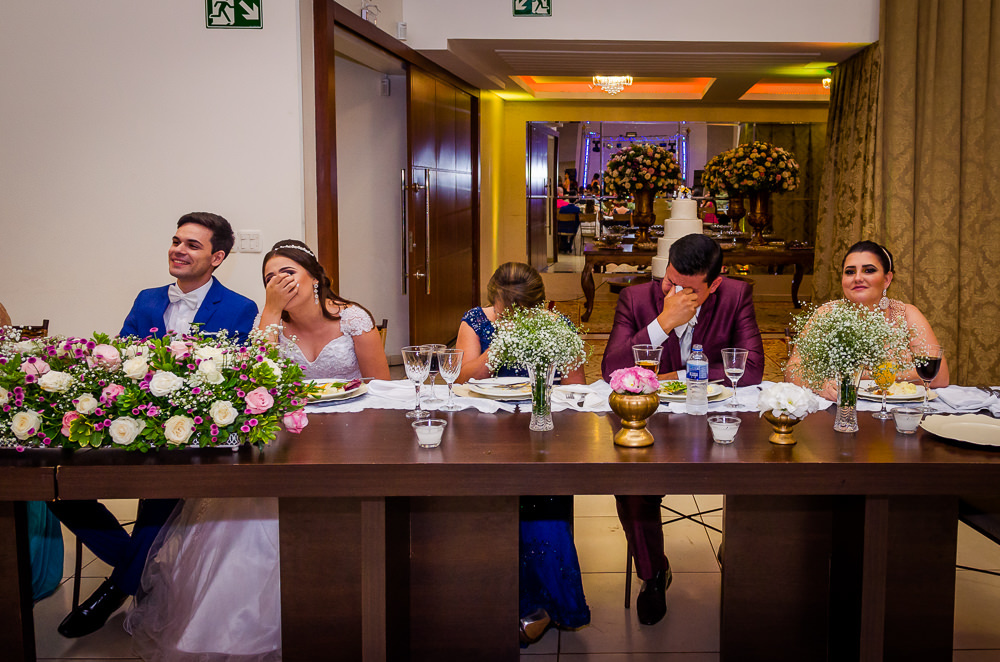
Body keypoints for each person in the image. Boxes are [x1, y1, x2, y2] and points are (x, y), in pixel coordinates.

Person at [125, 239, 388, 660]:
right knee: (250, 515)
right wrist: (270, 313)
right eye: (270, 277)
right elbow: (255, 379)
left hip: (348, 434)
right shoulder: (268, 323)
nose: (279, 281)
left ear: (315, 278)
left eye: (288, 272)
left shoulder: (353, 318)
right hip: (288, 438)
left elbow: (381, 388)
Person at [48, 212, 257, 639]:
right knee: (57, 488)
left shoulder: (240, 308)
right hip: (132, 429)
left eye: (192, 245)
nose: (178, 250)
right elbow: (119, 362)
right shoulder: (146, 300)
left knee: (162, 490)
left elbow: (234, 380)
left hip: (194, 437)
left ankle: (115, 590)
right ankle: (139, 570)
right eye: (176, 241)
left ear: (217, 257)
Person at [601, 233, 764, 626]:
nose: (673, 293)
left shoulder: (736, 296)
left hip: (717, 421)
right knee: (630, 479)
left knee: (764, 469)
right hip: (652, 422)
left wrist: (677, 376)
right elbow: (611, 369)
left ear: (715, 284)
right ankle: (654, 572)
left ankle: (742, 555)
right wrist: (662, 324)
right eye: (670, 281)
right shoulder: (636, 299)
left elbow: (752, 367)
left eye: (688, 289)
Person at [455, 262, 590, 644]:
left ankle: (547, 603)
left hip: (543, 427)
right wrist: (498, 348)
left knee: (539, 498)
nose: (506, 318)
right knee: (488, 501)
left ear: (538, 306)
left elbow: (578, 390)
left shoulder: (557, 325)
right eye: (501, 310)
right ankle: (493, 594)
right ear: (492, 300)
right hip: (486, 430)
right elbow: (459, 376)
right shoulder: (475, 321)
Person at [785, 240, 950, 399]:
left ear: (886, 279)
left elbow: (939, 376)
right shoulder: (826, 314)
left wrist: (863, 375)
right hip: (840, 409)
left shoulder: (906, 315)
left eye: (869, 270)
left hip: (896, 411)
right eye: (850, 272)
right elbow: (792, 370)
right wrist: (819, 385)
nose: (857, 278)